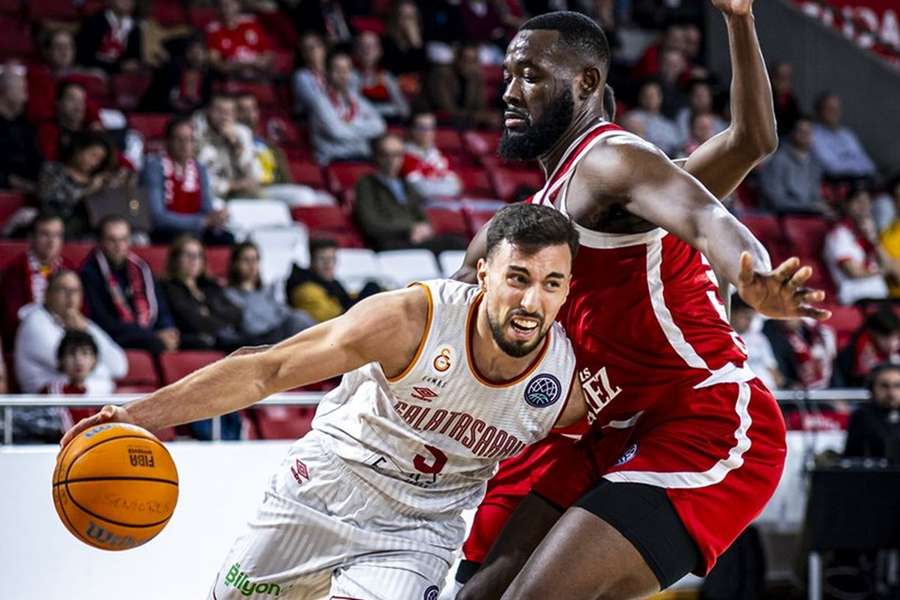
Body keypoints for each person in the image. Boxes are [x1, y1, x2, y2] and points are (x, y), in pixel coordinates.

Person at [455, 7, 829, 600]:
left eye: (529, 74)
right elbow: (446, 308)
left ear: (587, 85)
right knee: (477, 594)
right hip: (614, 429)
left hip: (701, 417)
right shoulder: (543, 211)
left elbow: (711, 214)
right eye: (508, 74)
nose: (509, 89)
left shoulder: (614, 159)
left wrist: (751, 273)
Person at [61, 204, 587, 598]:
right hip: (324, 487)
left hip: (417, 530)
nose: (530, 301)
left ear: (566, 291)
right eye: (517, 278)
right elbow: (265, 370)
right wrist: (136, 416)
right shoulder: (411, 322)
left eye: (550, 284)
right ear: (484, 275)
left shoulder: (567, 383)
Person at [15, 269, 126, 394]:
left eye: (75, 291)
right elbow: (69, 365)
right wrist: (105, 376)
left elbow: (119, 367)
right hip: (44, 405)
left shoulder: (81, 323)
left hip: (76, 399)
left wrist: (85, 329)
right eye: (63, 289)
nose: (70, 296)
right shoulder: (34, 322)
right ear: (47, 294)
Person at [81, 216, 180, 354]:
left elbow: (159, 306)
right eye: (112, 240)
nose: (119, 246)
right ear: (101, 242)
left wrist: (168, 329)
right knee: (157, 344)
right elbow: (103, 320)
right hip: (114, 337)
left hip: (146, 333)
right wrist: (148, 335)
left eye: (123, 239)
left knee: (198, 343)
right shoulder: (90, 272)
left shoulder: (141, 268)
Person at [354, 133, 467, 254]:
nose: (392, 160)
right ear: (376, 157)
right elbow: (370, 224)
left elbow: (422, 216)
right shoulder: (366, 184)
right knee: (453, 244)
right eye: (386, 155)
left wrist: (424, 229)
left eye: (397, 155)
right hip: (390, 243)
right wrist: (410, 229)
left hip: (414, 240)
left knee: (459, 242)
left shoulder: (406, 184)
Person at [142, 117, 232, 245]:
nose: (185, 145)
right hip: (166, 232)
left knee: (227, 239)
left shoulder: (200, 168)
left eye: (190, 140)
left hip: (195, 231)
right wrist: (201, 222)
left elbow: (206, 208)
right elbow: (157, 217)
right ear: (167, 142)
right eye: (179, 139)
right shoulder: (154, 167)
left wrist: (217, 216)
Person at [224, 241, 314, 343]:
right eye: (246, 260)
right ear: (235, 264)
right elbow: (249, 326)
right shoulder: (230, 294)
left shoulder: (266, 291)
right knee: (297, 320)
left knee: (301, 316)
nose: (252, 265)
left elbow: (283, 311)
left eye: (255, 260)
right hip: (259, 338)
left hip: (279, 333)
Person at [0, 212, 72, 340]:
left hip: (67, 336)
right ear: (31, 238)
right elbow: (12, 319)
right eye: (45, 234)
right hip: (31, 336)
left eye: (57, 235)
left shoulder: (70, 268)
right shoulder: (15, 270)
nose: (52, 242)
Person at [308, 50, 386, 165]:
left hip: (361, 158)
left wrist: (348, 125)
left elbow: (380, 126)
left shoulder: (356, 99)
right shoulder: (319, 101)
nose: (343, 74)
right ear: (327, 72)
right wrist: (362, 126)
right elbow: (338, 133)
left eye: (347, 69)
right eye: (338, 69)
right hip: (333, 161)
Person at [36, 130, 116, 239]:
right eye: (93, 155)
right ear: (78, 150)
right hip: (60, 225)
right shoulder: (53, 170)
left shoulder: (97, 178)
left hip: (94, 230)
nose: (95, 163)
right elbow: (47, 198)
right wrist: (87, 191)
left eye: (99, 160)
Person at [823, 186, 891, 305]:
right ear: (847, 205)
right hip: (857, 298)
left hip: (881, 296)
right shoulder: (839, 236)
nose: (863, 207)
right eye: (858, 202)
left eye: (866, 202)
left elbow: (887, 264)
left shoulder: (870, 235)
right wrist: (882, 271)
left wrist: (874, 241)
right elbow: (854, 273)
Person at [286, 237, 379, 323]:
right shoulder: (305, 290)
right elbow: (331, 322)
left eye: (332, 259)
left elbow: (344, 299)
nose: (328, 265)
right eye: (322, 259)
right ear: (311, 261)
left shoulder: (330, 283)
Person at [193, 93, 258, 199]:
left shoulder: (242, 133)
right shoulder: (196, 134)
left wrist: (236, 144)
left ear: (235, 115)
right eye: (219, 111)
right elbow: (199, 177)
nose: (224, 117)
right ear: (208, 111)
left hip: (242, 191)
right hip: (210, 194)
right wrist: (230, 186)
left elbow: (253, 173)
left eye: (229, 112)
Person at [759, 117, 828, 215]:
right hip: (782, 216)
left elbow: (815, 196)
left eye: (809, 131)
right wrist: (809, 207)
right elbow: (776, 201)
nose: (805, 135)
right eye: (801, 131)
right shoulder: (778, 160)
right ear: (792, 133)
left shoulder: (815, 162)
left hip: (809, 215)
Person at [426, 42, 498, 129]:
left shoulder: (476, 76)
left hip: (466, 119)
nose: (469, 64)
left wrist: (483, 116)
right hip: (440, 118)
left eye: (473, 60)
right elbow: (445, 107)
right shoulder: (441, 74)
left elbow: (480, 105)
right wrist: (474, 116)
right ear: (456, 58)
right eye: (465, 59)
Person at [810, 92, 877, 182]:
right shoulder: (813, 134)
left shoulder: (847, 134)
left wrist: (848, 163)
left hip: (861, 182)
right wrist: (855, 164)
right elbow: (832, 168)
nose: (834, 113)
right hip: (834, 184)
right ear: (819, 111)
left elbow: (869, 164)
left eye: (837, 109)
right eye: (830, 109)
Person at [141, 36, 213, 115]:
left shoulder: (209, 75)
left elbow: (206, 101)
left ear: (206, 54)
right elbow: (159, 98)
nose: (196, 56)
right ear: (185, 54)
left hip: (194, 115)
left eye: (200, 52)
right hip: (165, 113)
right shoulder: (170, 71)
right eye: (192, 52)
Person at [844, 362, 900, 462]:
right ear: (872, 388)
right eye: (884, 386)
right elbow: (852, 458)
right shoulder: (861, 418)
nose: (891, 393)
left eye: (897, 386)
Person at [0, 64, 43, 194]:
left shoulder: (25, 125)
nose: (26, 95)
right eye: (22, 89)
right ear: (4, 90)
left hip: (29, 189)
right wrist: (15, 182)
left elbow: (38, 160)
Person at [401, 111, 463, 199]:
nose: (428, 132)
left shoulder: (438, 155)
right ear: (411, 130)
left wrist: (436, 187)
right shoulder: (402, 156)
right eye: (422, 128)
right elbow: (421, 190)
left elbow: (457, 186)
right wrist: (445, 186)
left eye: (431, 128)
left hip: (441, 206)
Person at [762, 317, 836, 390]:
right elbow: (778, 373)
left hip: (819, 389)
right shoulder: (768, 333)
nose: (789, 317)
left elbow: (831, 365)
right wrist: (789, 385)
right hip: (789, 393)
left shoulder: (810, 332)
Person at [206, 0, 273, 80]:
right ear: (217, 8)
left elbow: (268, 53)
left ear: (238, 5)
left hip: (258, 75)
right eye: (223, 5)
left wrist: (261, 63)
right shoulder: (213, 30)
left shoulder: (251, 23)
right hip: (231, 78)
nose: (227, 8)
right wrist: (244, 65)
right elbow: (216, 63)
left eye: (230, 4)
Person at [351, 31, 409, 121]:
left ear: (380, 51)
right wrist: (388, 109)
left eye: (373, 46)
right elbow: (353, 109)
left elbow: (404, 109)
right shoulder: (350, 76)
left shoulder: (387, 76)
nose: (368, 50)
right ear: (355, 51)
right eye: (363, 46)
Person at [836, 307, 900, 388]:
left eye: (897, 338)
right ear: (873, 334)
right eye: (886, 338)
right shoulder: (850, 355)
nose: (893, 343)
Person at [729, 296, 782, 390]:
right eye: (745, 317)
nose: (748, 322)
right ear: (732, 313)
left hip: (768, 392)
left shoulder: (759, 339)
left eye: (751, 318)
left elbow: (773, 369)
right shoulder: (726, 338)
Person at [75, 0, 142, 74]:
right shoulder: (94, 22)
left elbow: (134, 58)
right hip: (92, 71)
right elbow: (83, 57)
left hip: (122, 76)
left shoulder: (135, 28)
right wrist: (119, 66)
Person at [624, 80, 681, 156]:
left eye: (653, 95)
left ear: (660, 98)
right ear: (640, 97)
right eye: (646, 95)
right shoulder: (632, 118)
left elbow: (676, 147)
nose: (650, 98)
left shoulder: (668, 125)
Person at [675, 79, 726, 145]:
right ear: (691, 97)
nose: (700, 98)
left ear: (710, 97)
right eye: (697, 95)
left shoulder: (719, 122)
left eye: (703, 95)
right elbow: (681, 141)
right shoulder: (683, 116)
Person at [291, 31, 328, 116]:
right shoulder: (301, 77)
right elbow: (316, 104)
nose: (314, 50)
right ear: (303, 54)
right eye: (308, 48)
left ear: (324, 48)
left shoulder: (333, 71)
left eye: (317, 45)